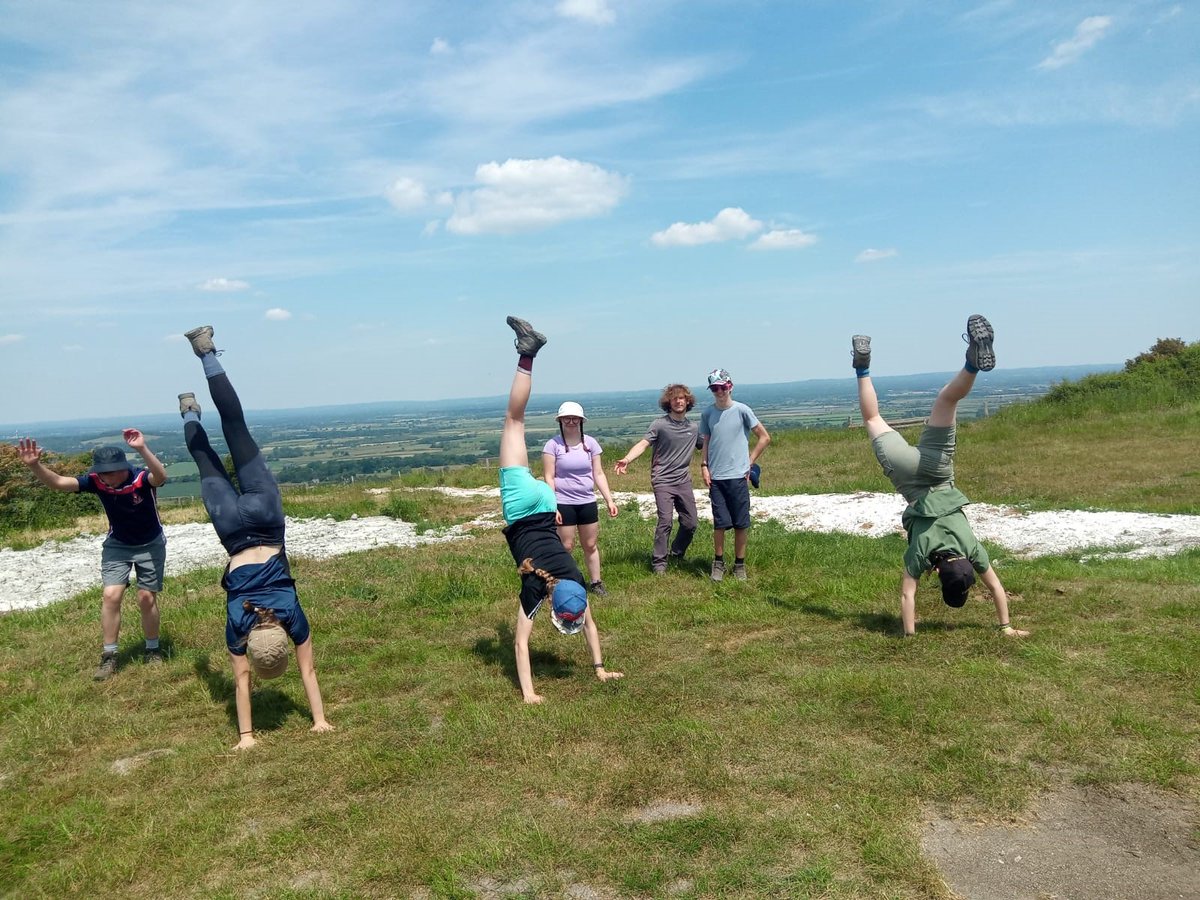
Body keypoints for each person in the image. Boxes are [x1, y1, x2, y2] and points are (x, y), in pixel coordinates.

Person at [179, 325, 333, 750]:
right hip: (232, 529)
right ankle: (189, 411)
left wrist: (321, 719)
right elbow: (242, 681)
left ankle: (207, 353)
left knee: (235, 427)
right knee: (206, 461)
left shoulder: (293, 621)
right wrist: (245, 736)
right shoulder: (237, 628)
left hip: (265, 517)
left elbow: (309, 674)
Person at [851, 315, 1028, 638]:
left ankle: (971, 366)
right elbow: (908, 594)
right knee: (873, 418)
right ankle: (862, 367)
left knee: (947, 399)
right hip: (910, 480)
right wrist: (909, 635)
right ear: (937, 571)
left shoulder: (973, 549)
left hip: (939, 469)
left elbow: (997, 587)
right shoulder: (921, 554)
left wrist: (1007, 625)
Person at [500, 316, 624, 704]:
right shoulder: (538, 586)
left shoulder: (572, 577)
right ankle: (527, 354)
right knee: (513, 422)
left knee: (516, 422)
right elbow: (521, 645)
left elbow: (587, 621)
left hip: (546, 502)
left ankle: (529, 356)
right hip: (522, 506)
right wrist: (529, 695)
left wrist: (601, 669)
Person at [17, 433, 168, 680]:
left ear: (123, 468)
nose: (107, 478)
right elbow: (58, 483)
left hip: (150, 544)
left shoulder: (141, 478)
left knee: (146, 598)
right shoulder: (97, 482)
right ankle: (109, 656)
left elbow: (160, 476)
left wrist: (142, 448)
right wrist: (35, 465)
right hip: (117, 545)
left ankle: (152, 649)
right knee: (111, 595)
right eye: (103, 473)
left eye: (112, 472)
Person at [613, 384, 700, 574]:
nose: (678, 401)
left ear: (688, 401)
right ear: (668, 402)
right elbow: (643, 444)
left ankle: (677, 553)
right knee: (665, 521)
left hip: (683, 480)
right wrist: (627, 459)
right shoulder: (660, 424)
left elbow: (709, 445)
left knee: (691, 522)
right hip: (662, 480)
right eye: (674, 398)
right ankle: (659, 562)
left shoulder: (693, 428)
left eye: (682, 398)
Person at [699, 369, 771, 581]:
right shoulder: (708, 414)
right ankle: (718, 563)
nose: (719, 392)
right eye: (714, 388)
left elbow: (764, 437)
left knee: (741, 523)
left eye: (722, 387)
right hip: (717, 477)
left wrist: (749, 461)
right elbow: (706, 441)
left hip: (738, 476)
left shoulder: (742, 410)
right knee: (720, 523)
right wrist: (704, 465)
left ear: (730, 386)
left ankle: (739, 565)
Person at [543, 401, 618, 596]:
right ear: (560, 421)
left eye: (574, 418)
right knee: (566, 546)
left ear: (581, 420)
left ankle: (596, 582)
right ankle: (560, 583)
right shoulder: (553, 445)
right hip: (563, 502)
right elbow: (549, 477)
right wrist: (553, 505)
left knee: (590, 545)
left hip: (587, 501)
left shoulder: (591, 444)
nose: (571, 421)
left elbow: (598, 473)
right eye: (566, 418)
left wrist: (609, 500)